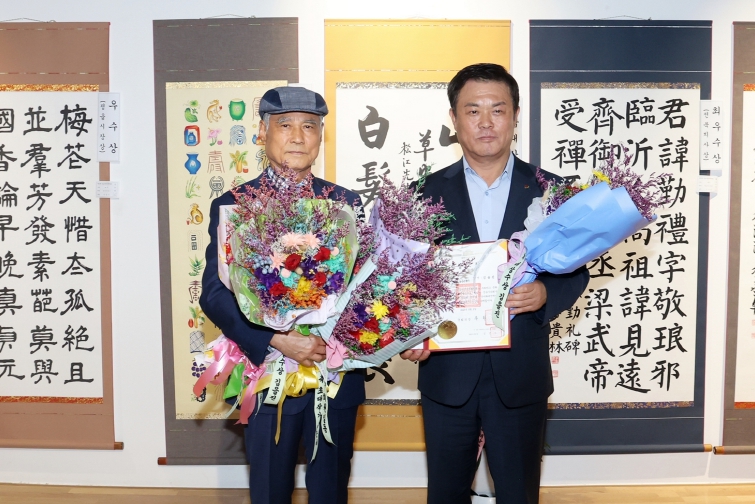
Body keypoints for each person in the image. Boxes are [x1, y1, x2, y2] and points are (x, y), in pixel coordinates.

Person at [400, 64, 590, 504]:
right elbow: (401, 281)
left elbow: (577, 270)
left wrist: (546, 294)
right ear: (454, 119)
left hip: (519, 373)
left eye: (497, 110)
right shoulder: (421, 194)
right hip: (447, 373)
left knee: (518, 493)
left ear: (515, 115)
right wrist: (409, 332)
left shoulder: (552, 191)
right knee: (445, 494)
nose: (486, 122)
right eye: (473, 111)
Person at [199, 86, 364, 504]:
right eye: (285, 125)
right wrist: (275, 338)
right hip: (267, 372)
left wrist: (335, 336)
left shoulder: (346, 204)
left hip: (334, 373)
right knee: (270, 489)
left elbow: (366, 285)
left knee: (331, 490)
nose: (297, 136)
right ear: (262, 132)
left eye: (309, 126)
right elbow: (215, 294)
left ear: (320, 136)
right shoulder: (235, 206)